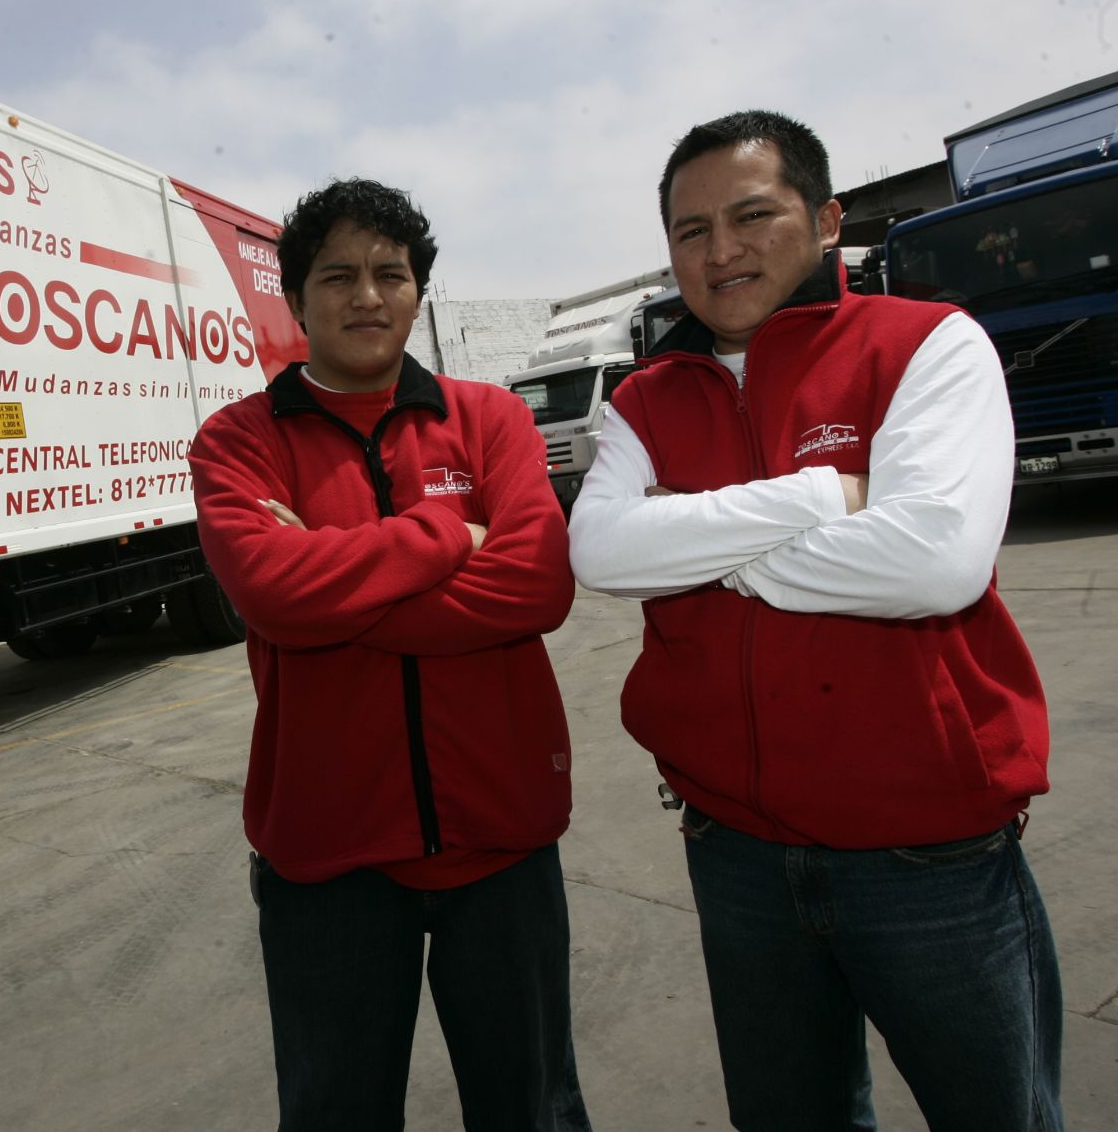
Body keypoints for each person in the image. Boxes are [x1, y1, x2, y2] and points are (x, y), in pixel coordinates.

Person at [568, 110, 1061, 1131]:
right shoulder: (645, 401)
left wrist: (699, 549)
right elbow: (602, 552)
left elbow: (934, 561)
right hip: (736, 851)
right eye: (691, 230)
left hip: (930, 856)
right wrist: (825, 495)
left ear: (829, 219)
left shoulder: (927, 344)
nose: (722, 250)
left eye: (753, 214)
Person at [188, 177, 591, 1131]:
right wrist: (450, 536)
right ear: (295, 299)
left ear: (419, 292)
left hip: (501, 842)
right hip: (327, 863)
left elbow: (540, 586)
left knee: (534, 1110)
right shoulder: (237, 441)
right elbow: (273, 597)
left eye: (389, 274)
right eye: (336, 276)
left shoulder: (488, 417)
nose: (366, 296)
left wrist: (329, 586)